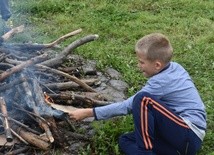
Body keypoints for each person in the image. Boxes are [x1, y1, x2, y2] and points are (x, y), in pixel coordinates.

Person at [68, 33, 207, 155]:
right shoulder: (174, 67)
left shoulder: (161, 81)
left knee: (143, 100)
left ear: (157, 65)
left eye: (141, 62)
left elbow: (127, 106)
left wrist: (88, 112)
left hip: (189, 134)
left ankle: (144, 152)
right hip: (178, 137)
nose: (138, 65)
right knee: (126, 140)